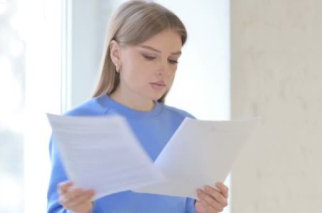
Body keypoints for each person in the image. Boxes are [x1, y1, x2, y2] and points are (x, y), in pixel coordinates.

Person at [47, 1, 229, 212]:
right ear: (116, 53)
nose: (164, 70)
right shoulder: (76, 126)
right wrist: (78, 209)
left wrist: (206, 209)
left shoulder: (185, 126)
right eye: (149, 56)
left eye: (173, 60)